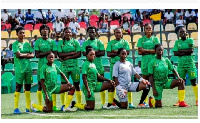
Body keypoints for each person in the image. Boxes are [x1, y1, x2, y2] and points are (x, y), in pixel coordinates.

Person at [70, 46, 116, 110]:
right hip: (88, 87)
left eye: (94, 54)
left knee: (111, 85)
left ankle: (110, 104)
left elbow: (98, 76)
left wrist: (109, 80)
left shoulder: (93, 64)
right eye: (91, 55)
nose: (93, 56)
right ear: (86, 55)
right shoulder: (85, 64)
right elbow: (84, 78)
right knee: (91, 108)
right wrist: (88, 90)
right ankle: (75, 104)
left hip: (95, 84)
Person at [82, 26, 113, 108]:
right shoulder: (85, 43)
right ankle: (88, 96)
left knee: (103, 84)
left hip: (99, 67)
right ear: (88, 33)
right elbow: (84, 53)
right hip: (89, 69)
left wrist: (91, 53)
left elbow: (103, 53)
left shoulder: (99, 42)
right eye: (90, 32)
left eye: (93, 32)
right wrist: (97, 51)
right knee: (90, 84)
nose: (92, 33)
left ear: (96, 32)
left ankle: (104, 104)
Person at [106, 28, 135, 108]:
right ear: (114, 34)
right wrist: (120, 52)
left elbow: (127, 52)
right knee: (113, 84)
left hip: (124, 66)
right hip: (114, 65)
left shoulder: (125, 42)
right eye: (116, 33)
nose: (118, 34)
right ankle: (110, 103)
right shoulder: (111, 43)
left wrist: (115, 51)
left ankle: (130, 102)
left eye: (119, 32)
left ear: (122, 34)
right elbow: (108, 54)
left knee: (127, 83)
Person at [34, 24, 59, 111]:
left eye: (46, 29)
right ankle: (40, 105)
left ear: (49, 31)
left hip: (51, 66)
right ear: (40, 31)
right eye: (43, 29)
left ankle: (54, 105)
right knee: (40, 85)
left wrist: (47, 54)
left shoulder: (52, 42)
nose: (45, 30)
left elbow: (55, 54)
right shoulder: (37, 42)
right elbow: (37, 55)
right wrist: (48, 53)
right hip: (41, 65)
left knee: (53, 85)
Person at [57, 27, 82, 111]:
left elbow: (79, 54)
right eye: (66, 32)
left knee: (77, 85)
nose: (68, 34)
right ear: (64, 33)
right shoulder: (61, 42)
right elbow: (59, 54)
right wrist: (72, 53)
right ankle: (64, 105)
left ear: (72, 33)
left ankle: (79, 104)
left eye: (69, 32)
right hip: (64, 67)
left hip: (75, 67)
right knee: (64, 86)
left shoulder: (75, 42)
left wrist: (67, 57)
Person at [137, 23, 160, 108]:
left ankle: (157, 100)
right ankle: (144, 102)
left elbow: (157, 50)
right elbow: (139, 52)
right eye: (146, 28)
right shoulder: (141, 39)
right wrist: (151, 50)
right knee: (145, 82)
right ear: (144, 30)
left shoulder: (156, 39)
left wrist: (145, 50)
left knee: (155, 81)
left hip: (154, 63)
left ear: (152, 29)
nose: (148, 30)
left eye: (150, 28)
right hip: (145, 63)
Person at [173, 27, 198, 106]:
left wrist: (180, 51)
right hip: (181, 66)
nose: (182, 33)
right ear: (179, 34)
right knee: (181, 82)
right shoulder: (177, 42)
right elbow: (175, 53)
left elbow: (191, 51)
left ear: (186, 32)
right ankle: (180, 100)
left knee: (193, 82)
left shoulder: (190, 40)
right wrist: (186, 51)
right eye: (181, 32)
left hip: (190, 64)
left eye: (183, 31)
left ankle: (197, 100)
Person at [13, 27, 34, 114]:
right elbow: (18, 55)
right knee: (18, 87)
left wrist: (24, 55)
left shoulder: (27, 44)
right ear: (17, 34)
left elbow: (32, 55)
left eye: (23, 33)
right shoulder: (15, 44)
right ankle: (16, 108)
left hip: (28, 69)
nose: (22, 34)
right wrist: (27, 54)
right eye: (21, 33)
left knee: (28, 87)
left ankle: (28, 107)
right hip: (20, 69)